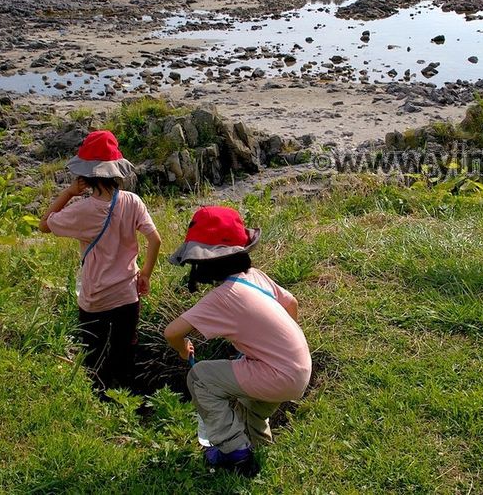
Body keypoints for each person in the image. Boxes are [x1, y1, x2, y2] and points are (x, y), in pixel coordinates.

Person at [164, 206, 311, 476]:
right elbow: (292, 303)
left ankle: (234, 452)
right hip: (300, 368)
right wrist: (279, 345)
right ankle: (260, 448)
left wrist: (184, 350)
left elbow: (172, 332)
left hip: (278, 374)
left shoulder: (222, 298)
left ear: (203, 261)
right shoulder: (255, 277)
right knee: (251, 408)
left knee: (200, 377)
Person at [40, 130, 161, 393]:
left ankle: (99, 401)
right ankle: (127, 399)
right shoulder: (132, 201)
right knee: (125, 350)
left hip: (95, 297)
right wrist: (146, 275)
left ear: (85, 175)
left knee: (94, 355)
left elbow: (44, 225)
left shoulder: (83, 210)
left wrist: (69, 192)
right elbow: (155, 240)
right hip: (128, 294)